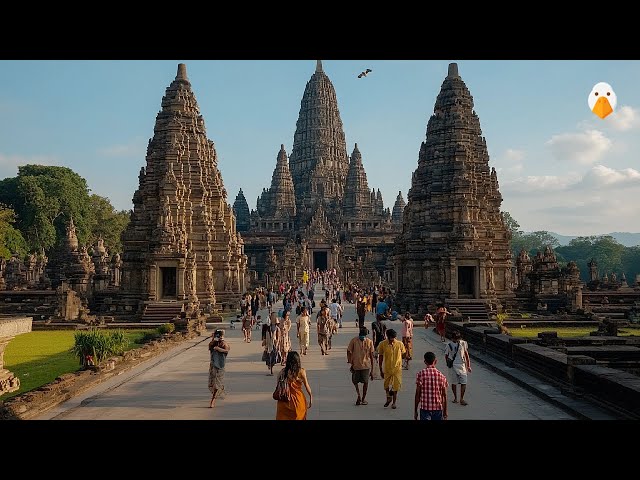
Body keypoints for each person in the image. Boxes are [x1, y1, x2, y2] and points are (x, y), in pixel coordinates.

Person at [275, 351, 313, 420]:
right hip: (298, 401)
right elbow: (307, 387)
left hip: (284, 401)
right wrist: (311, 397)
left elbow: (278, 386)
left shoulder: (282, 372)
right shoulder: (301, 372)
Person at [377, 328, 406, 409]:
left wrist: (402, 356)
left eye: (393, 339)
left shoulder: (400, 344)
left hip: (397, 369)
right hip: (387, 368)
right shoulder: (382, 344)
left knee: (396, 386)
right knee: (386, 385)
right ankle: (388, 397)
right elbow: (381, 356)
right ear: (387, 337)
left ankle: (394, 403)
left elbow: (404, 354)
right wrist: (380, 369)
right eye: (390, 339)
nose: (392, 341)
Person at [414, 351, 448, 421]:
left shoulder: (420, 374)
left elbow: (418, 394)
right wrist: (445, 412)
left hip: (425, 408)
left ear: (425, 362)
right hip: (438, 409)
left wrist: (415, 411)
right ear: (435, 361)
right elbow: (444, 395)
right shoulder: (442, 376)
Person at [347, 327, 375, 406]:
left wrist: (372, 370)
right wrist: (350, 361)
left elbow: (371, 355)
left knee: (364, 382)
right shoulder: (354, 341)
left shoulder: (369, 342)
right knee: (356, 381)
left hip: (365, 365)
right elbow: (349, 351)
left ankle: (362, 398)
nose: (362, 337)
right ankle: (360, 396)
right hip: (356, 365)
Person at [444, 330, 472, 405]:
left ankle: (461, 398)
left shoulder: (463, 343)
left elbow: (466, 354)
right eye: (455, 338)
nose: (457, 340)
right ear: (452, 338)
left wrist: (468, 365)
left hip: (462, 365)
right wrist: (448, 363)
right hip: (453, 366)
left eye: (458, 338)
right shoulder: (449, 345)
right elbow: (446, 356)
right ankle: (455, 398)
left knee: (464, 382)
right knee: (454, 382)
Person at [208, 329, 230, 408]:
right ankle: (221, 389)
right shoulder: (213, 343)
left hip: (220, 366)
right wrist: (213, 339)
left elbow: (227, 350)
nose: (220, 337)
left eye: (221, 335)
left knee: (217, 385)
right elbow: (210, 347)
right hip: (213, 365)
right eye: (218, 335)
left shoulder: (224, 343)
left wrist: (219, 349)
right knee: (212, 384)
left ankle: (213, 400)